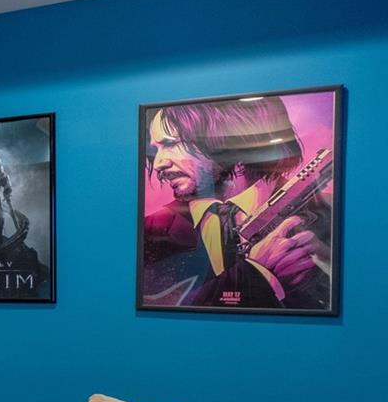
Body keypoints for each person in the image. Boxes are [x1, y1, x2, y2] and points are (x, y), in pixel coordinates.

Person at [141, 96, 329, 309]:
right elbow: (161, 307)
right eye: (155, 150)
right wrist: (259, 274)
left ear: (231, 142)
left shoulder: (326, 214)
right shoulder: (152, 231)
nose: (158, 164)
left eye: (171, 144)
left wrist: (326, 265)